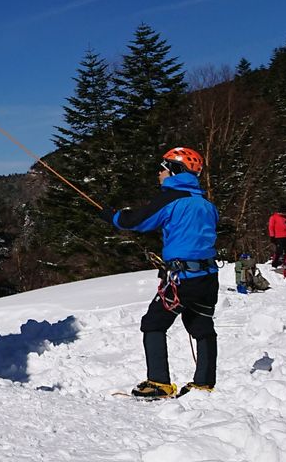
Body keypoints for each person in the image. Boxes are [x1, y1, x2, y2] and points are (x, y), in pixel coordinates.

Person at [99, 147, 219, 399]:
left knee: (153, 323)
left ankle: (159, 382)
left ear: (175, 170)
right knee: (201, 325)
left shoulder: (171, 199)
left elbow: (138, 221)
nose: (159, 173)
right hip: (207, 276)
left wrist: (112, 216)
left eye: (163, 168)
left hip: (182, 278)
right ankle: (204, 383)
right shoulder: (206, 204)